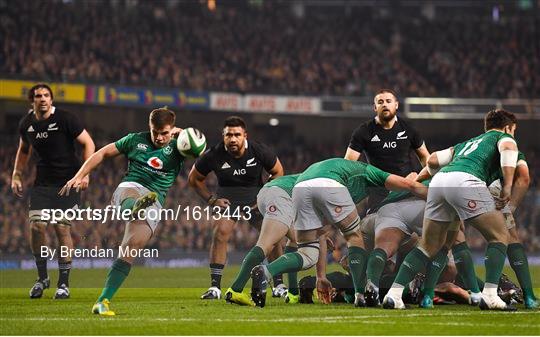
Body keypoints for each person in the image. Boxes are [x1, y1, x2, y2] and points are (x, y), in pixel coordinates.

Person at [383, 109, 519, 311]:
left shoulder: (467, 144)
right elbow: (508, 146)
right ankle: (490, 295)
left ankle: (393, 295)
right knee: (500, 236)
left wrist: (418, 180)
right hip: (466, 181)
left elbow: (433, 160)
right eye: (513, 130)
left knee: (428, 246)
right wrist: (508, 185)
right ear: (508, 127)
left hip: (440, 181)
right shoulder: (504, 137)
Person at [249, 158, 427, 308]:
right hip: (327, 183)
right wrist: (435, 196)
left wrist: (321, 276)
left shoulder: (346, 178)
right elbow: (407, 185)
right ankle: (360, 295)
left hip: (300, 188)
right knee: (354, 237)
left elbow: (322, 230)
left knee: (308, 252)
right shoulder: (371, 172)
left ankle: (266, 271)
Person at [60, 107, 185, 315]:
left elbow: (199, 147)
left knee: (132, 247)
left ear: (171, 129)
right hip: (131, 187)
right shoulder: (135, 140)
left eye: (165, 133)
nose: (160, 138)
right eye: (156, 132)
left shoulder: (179, 145)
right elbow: (103, 153)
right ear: (149, 127)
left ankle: (102, 302)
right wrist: (79, 175)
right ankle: (133, 207)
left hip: (155, 200)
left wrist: (185, 133)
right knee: (131, 196)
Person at [11, 83, 95, 299]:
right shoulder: (27, 123)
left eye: (46, 95)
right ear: (32, 101)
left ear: (51, 99)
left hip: (69, 182)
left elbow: (88, 143)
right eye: (38, 96)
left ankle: (63, 284)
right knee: (37, 227)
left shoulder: (66, 118)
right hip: (42, 183)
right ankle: (42, 279)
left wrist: (85, 173)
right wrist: (17, 174)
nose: (43, 99)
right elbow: (23, 150)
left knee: (61, 228)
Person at [188, 116, 284, 300]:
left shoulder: (259, 150)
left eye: (237, 135)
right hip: (228, 200)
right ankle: (215, 288)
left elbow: (278, 171)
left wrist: (265, 195)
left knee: (274, 238)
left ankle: (279, 284)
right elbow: (194, 179)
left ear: (244, 136)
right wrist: (212, 200)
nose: (232, 139)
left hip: (256, 200)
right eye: (228, 135)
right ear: (223, 136)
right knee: (220, 233)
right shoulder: (214, 154)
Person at [344, 89, 429, 210]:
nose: (384, 104)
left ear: (396, 105)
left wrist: (420, 178)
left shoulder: (409, 129)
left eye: (388, 101)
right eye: (380, 102)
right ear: (375, 107)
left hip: (407, 189)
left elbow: (425, 158)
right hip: (379, 193)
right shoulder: (363, 131)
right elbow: (348, 164)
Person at [225, 174, 299, 306]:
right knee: (266, 245)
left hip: (265, 194)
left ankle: (293, 294)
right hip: (279, 196)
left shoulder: (310, 177)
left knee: (296, 239)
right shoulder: (322, 187)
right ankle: (235, 289)